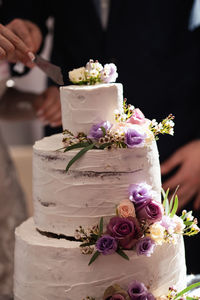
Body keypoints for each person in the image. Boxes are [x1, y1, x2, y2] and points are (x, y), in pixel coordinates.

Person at [1, 0, 200, 274]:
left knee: (169, 273)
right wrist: (24, 25)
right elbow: (26, 10)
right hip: (72, 134)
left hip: (177, 151)